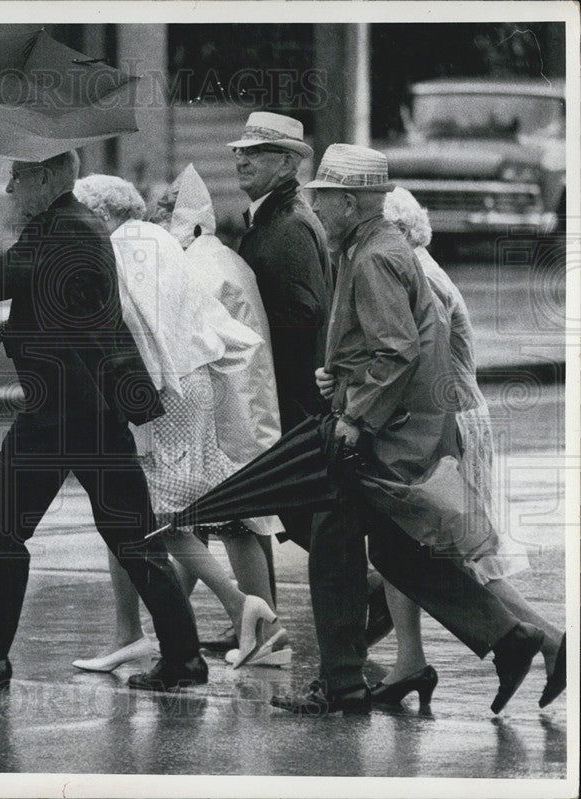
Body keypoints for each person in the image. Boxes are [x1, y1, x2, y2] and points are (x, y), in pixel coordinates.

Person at [270, 144, 545, 716]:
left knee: (332, 545)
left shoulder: (373, 256)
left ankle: (342, 683)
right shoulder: (368, 246)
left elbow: (395, 352)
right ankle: (510, 636)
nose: (316, 210)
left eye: (323, 201)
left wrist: (353, 415)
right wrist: (341, 377)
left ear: (349, 202)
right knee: (396, 552)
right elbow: (384, 344)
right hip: (392, 428)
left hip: (380, 434)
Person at [0, 152, 206, 692]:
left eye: (17, 177)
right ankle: (184, 659)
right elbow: (66, 315)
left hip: (64, 409)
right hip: (88, 404)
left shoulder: (63, 228)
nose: (8, 187)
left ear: (46, 178)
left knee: (0, 517)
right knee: (130, 533)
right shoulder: (69, 225)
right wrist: (4, 336)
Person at [69, 174, 288, 673]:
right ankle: (137, 630)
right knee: (149, 510)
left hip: (164, 386)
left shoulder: (126, 246)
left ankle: (238, 606)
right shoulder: (154, 241)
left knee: (156, 514)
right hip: (186, 383)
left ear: (101, 215)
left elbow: (129, 321)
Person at [357, 186, 564, 708]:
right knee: (425, 548)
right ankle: (409, 660)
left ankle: (550, 642)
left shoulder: (418, 276)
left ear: (398, 232)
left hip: (444, 428)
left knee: (457, 554)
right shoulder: (419, 268)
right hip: (443, 422)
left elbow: (416, 361)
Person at [228, 112, 394, 650]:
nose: (241, 159)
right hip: (275, 394)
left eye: (256, 152)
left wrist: (241, 334)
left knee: (298, 509)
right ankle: (262, 620)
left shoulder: (292, 223)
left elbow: (306, 311)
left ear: (287, 163)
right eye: (240, 151)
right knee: (276, 508)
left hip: (288, 398)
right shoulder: (268, 217)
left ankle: (367, 595)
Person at [146, 165, 290, 663]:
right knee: (210, 519)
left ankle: (264, 628)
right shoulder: (221, 258)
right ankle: (224, 623)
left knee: (231, 520)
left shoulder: (197, 265)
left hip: (226, 409)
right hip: (240, 403)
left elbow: (189, 343)